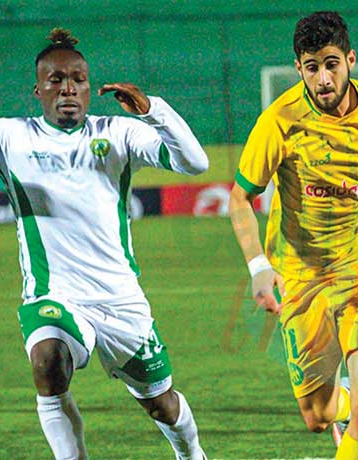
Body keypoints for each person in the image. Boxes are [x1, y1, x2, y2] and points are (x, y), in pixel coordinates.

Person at [228, 12, 358, 460]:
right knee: (318, 415)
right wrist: (258, 266)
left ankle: (355, 410)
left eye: (331, 64)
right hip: (303, 279)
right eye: (312, 67)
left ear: (350, 60)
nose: (323, 79)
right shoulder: (279, 122)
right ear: (298, 68)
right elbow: (240, 198)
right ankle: (335, 407)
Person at [1, 29, 208, 459]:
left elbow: (194, 162)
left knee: (161, 403)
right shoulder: (12, 138)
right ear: (38, 90)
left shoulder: (117, 132)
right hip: (54, 294)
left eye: (78, 79)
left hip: (120, 299)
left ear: (89, 88)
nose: (68, 88)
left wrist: (152, 112)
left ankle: (192, 455)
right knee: (48, 361)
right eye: (56, 80)